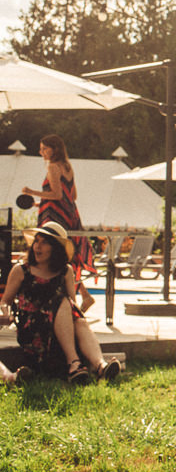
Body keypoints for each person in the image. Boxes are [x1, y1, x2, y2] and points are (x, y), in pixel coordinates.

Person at [0, 221, 120, 383]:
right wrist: (5, 312)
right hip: (33, 329)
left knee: (76, 315)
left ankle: (100, 366)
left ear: (55, 249)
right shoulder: (22, 270)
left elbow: (73, 307)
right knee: (64, 301)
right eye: (37, 241)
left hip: (59, 330)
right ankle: (75, 363)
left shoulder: (65, 271)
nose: (38, 246)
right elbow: (5, 301)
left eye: (44, 243)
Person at [22, 134, 95, 314]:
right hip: (69, 214)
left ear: (54, 149)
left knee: (49, 254)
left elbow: (56, 195)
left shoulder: (53, 167)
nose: (41, 152)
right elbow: (72, 196)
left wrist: (31, 191)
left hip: (54, 218)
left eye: (44, 148)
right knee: (65, 255)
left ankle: (66, 300)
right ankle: (84, 296)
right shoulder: (67, 167)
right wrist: (40, 204)